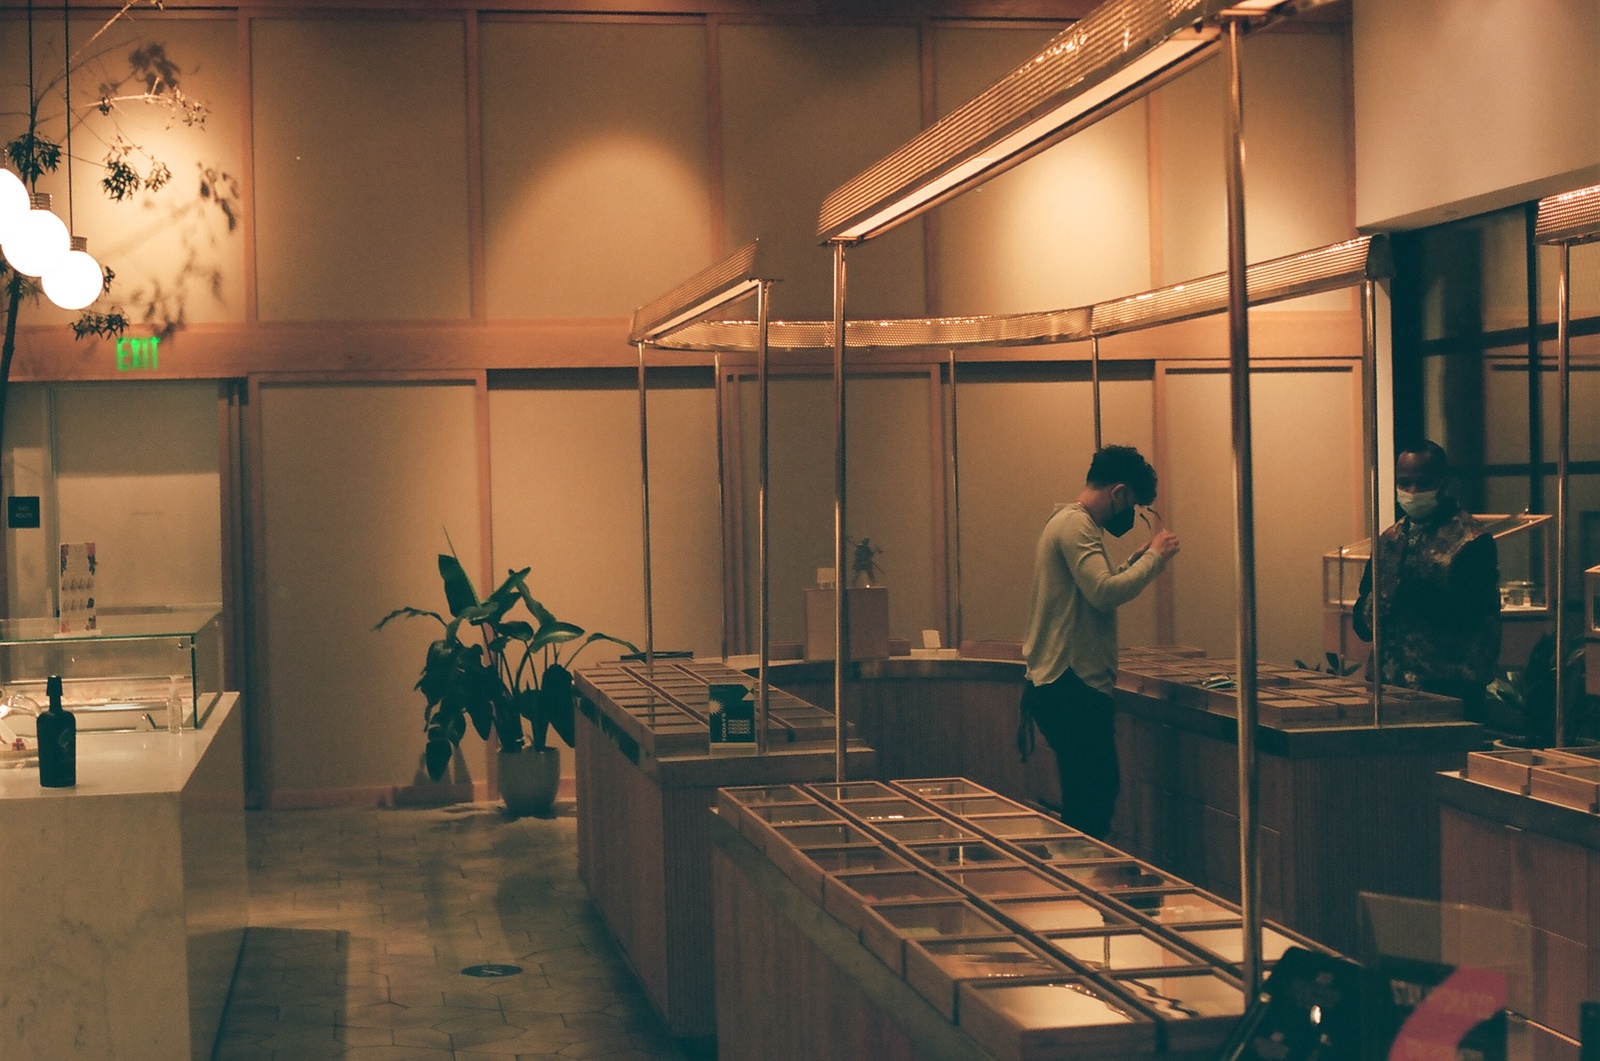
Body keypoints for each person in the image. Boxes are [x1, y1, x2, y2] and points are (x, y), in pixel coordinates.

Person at [1019, 445, 1180, 839]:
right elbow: (1103, 593)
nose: (1132, 514)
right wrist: (1154, 559)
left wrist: (1134, 561)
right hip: (1072, 686)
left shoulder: (1069, 523)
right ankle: (1082, 891)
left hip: (1061, 686)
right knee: (1093, 801)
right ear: (1119, 492)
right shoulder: (1077, 525)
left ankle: (1081, 888)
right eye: (1135, 505)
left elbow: (1087, 593)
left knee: (1090, 795)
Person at [1353, 440, 1500, 718]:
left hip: (1449, 691)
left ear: (1443, 483)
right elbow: (1362, 614)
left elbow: (1473, 615)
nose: (1412, 492)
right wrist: (1372, 607)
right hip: (1388, 688)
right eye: (1404, 482)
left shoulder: (1472, 541)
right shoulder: (1390, 539)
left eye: (1423, 483)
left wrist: (1413, 594)